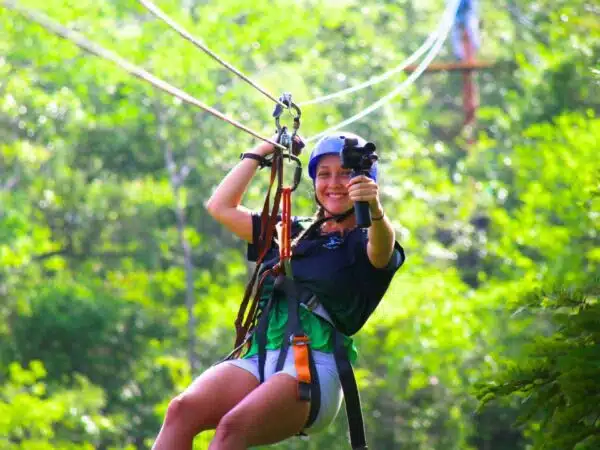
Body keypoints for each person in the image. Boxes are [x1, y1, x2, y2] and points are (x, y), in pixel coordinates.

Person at [152, 132, 405, 450]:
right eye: (324, 175)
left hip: (313, 366)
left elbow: (382, 251)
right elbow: (221, 207)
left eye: (344, 173)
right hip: (260, 357)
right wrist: (264, 150)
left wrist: (375, 208)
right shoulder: (291, 233)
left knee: (231, 430)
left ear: (363, 181)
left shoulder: (365, 240)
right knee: (181, 411)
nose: (334, 183)